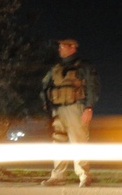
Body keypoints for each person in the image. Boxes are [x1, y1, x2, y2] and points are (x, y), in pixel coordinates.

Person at [39, 38, 100, 187]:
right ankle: (58, 176)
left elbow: (93, 86)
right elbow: (45, 85)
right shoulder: (56, 67)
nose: (59, 49)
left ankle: (84, 176)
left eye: (62, 46)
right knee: (58, 142)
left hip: (75, 108)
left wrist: (89, 107)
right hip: (58, 109)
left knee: (78, 142)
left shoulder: (84, 66)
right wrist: (47, 105)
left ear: (72, 48)